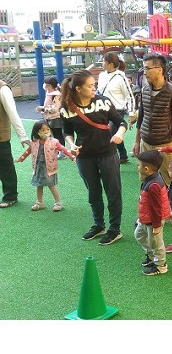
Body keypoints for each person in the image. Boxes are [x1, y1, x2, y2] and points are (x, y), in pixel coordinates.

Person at [60, 69, 127, 244]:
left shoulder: (103, 101)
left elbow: (121, 121)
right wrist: (71, 144)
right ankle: (99, 225)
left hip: (107, 154)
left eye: (94, 85)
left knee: (113, 192)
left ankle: (114, 229)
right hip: (84, 156)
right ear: (78, 89)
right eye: (90, 86)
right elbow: (67, 131)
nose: (94, 88)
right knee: (93, 192)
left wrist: (119, 134)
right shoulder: (66, 108)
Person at [133, 53, 172, 185]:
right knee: (144, 178)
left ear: (159, 70)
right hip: (145, 142)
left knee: (169, 180)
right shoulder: (144, 90)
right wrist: (137, 141)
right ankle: (145, 198)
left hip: (165, 145)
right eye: (144, 68)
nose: (144, 72)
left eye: (147, 68)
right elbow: (141, 117)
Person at [15, 120, 74, 212]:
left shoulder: (54, 142)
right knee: (39, 185)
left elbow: (63, 149)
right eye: (42, 130)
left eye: (47, 129)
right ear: (37, 132)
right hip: (38, 167)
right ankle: (39, 202)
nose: (46, 132)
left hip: (49, 168)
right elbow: (28, 151)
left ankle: (58, 203)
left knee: (51, 185)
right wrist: (21, 158)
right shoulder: (34, 142)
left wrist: (72, 156)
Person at [134, 150, 171, 276]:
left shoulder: (153, 185)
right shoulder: (150, 178)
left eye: (138, 164)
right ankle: (152, 256)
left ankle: (161, 265)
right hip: (146, 218)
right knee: (139, 235)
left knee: (156, 244)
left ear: (146, 169)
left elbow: (156, 208)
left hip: (153, 221)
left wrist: (156, 225)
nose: (137, 166)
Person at [97, 51, 136, 164]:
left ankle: (109, 158)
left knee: (110, 133)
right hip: (102, 109)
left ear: (110, 64)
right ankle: (123, 155)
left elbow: (129, 96)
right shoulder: (101, 75)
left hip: (117, 111)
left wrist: (131, 113)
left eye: (103, 61)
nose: (102, 63)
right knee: (112, 133)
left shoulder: (121, 77)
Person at [0, 79, 30, 209]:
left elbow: (12, 112)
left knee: (5, 167)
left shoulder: (3, 88)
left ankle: (10, 196)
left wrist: (22, 135)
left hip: (1, 136)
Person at [35, 76, 65, 157]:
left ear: (49, 85)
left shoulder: (56, 95)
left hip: (56, 118)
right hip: (49, 118)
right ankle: (57, 150)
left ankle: (62, 152)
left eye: (45, 84)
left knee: (58, 135)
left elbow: (55, 109)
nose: (44, 85)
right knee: (53, 135)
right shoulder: (49, 94)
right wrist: (43, 108)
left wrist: (43, 109)